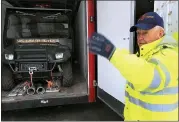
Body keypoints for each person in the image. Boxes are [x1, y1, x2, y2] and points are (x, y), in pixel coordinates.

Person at [88, 12, 178, 121]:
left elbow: (147, 76)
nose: (140, 38)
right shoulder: (143, 55)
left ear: (160, 33)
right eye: (138, 33)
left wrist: (113, 54)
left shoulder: (170, 55)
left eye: (145, 33)